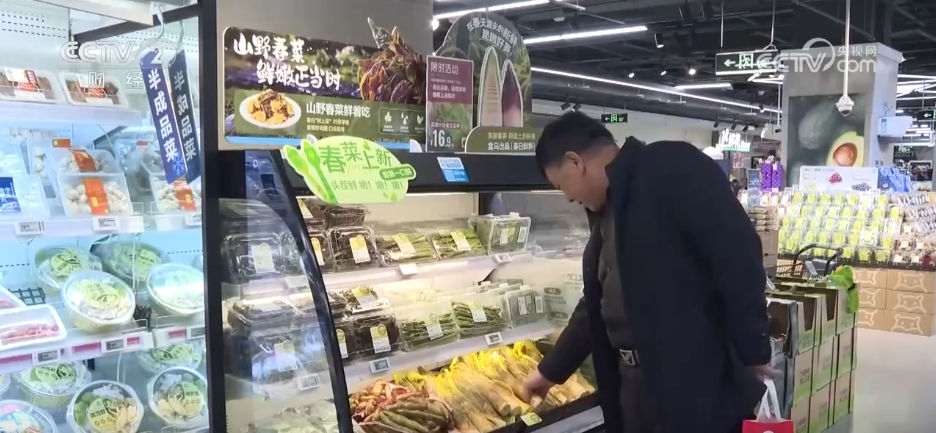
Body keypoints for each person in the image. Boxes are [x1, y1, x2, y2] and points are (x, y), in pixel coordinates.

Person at [522, 112, 774, 433]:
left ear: (575, 162)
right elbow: (597, 305)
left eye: (561, 185)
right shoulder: (609, 213)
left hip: (695, 388)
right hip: (637, 392)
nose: (568, 197)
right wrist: (550, 372)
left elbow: (737, 254)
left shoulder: (672, 167)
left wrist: (753, 348)